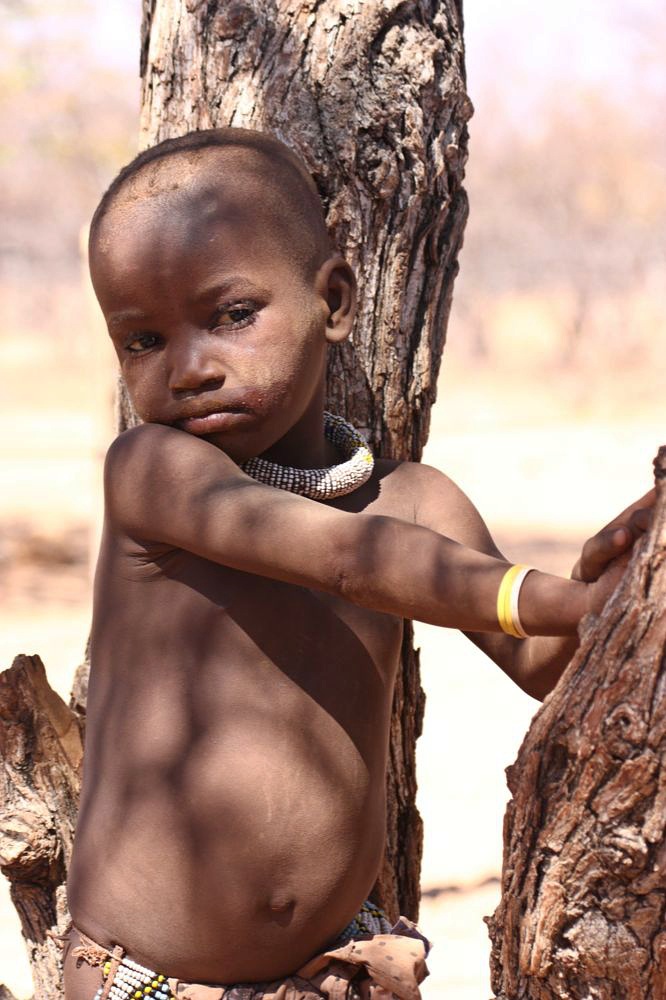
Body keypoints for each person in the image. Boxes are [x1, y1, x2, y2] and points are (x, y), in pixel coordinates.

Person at [63, 128, 653, 1000]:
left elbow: (540, 664)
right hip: (143, 980)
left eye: (231, 316)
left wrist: (614, 583)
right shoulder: (156, 474)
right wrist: (569, 602)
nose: (188, 369)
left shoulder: (415, 502)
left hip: (337, 964)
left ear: (333, 301)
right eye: (143, 341)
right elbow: (345, 557)